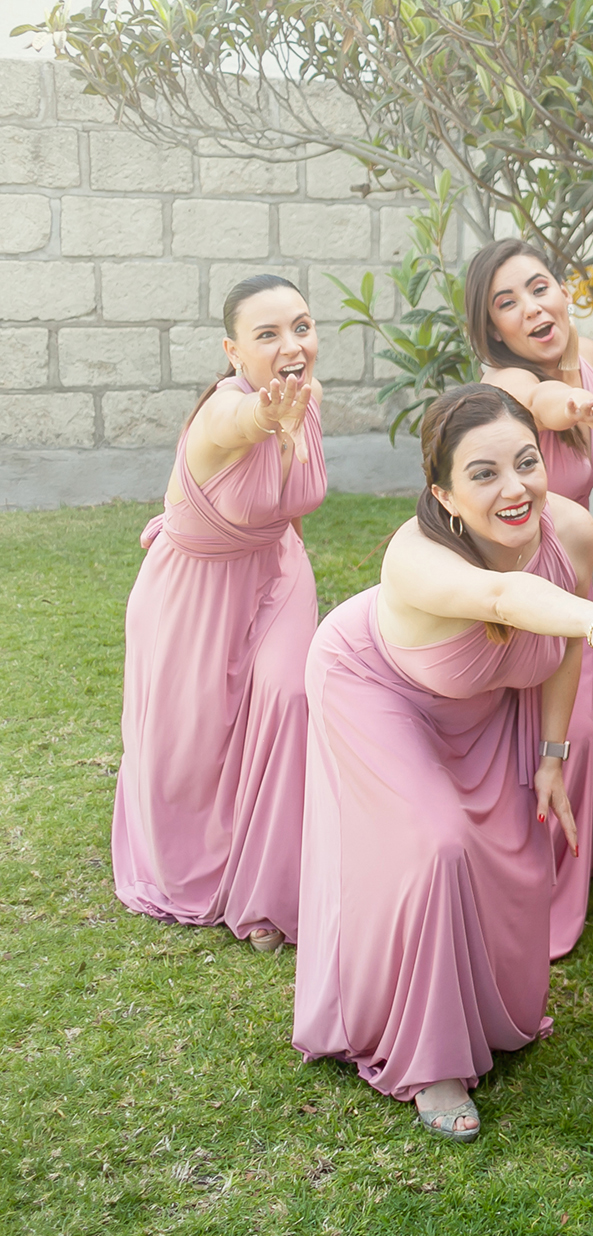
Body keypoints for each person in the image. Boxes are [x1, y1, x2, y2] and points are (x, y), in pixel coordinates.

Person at [292, 384, 593, 1141]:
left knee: (515, 854)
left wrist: (552, 754)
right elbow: (504, 597)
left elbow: (560, 646)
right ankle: (429, 1062)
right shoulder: (414, 555)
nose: (515, 488)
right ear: (443, 493)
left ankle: (486, 1012)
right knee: (437, 846)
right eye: (484, 473)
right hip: (373, 687)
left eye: (526, 462)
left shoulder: (569, 530)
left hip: (483, 702)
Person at [112, 274, 327, 952]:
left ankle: (269, 889)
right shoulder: (225, 411)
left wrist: (292, 562)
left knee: (290, 695)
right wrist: (269, 417)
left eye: (301, 326)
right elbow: (244, 424)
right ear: (233, 351)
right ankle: (194, 863)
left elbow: (287, 498)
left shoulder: (308, 396)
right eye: (268, 334)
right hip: (196, 588)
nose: (292, 345)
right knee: (190, 744)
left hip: (277, 569)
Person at [466, 239, 593, 960]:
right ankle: (528, 893)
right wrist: (571, 405)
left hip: (578, 562)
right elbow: (544, 402)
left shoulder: (590, 355)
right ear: (493, 328)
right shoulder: (510, 384)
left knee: (584, 723)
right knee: (550, 733)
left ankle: (571, 860)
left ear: (564, 290)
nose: (531, 308)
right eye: (506, 303)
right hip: (526, 573)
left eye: (539, 288)